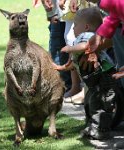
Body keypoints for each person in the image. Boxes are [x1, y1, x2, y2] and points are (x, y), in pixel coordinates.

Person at [54, 7, 121, 140]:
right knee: (91, 103)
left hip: (105, 79)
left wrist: (69, 48)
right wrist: (62, 67)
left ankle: (102, 130)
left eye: (75, 24)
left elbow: (85, 47)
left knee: (101, 105)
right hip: (96, 81)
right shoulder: (80, 37)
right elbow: (74, 63)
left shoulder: (88, 35)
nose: (73, 28)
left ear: (86, 27)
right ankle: (92, 127)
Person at [40, 0, 72, 95]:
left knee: (59, 50)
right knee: (57, 49)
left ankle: (63, 86)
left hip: (64, 12)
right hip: (57, 12)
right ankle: (61, 85)